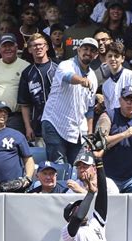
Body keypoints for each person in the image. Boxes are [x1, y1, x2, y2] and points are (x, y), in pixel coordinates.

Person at [41, 37, 99, 165]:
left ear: (96, 55)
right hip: (55, 122)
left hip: (77, 129)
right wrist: (81, 80)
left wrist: (89, 134)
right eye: (85, 48)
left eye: (92, 50)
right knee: (58, 166)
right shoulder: (66, 64)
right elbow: (68, 77)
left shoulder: (93, 77)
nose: (88, 52)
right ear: (78, 50)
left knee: (80, 167)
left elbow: (89, 108)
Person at [18, 33, 58, 146]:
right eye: (34, 46)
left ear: (47, 47)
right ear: (29, 50)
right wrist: (28, 127)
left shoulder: (60, 66)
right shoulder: (27, 73)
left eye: (41, 44)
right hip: (39, 126)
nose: (38, 47)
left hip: (61, 123)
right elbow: (24, 104)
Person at [102, 42, 132, 116]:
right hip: (115, 124)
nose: (113, 59)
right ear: (106, 59)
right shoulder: (105, 85)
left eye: (116, 56)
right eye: (110, 56)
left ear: (123, 59)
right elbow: (108, 110)